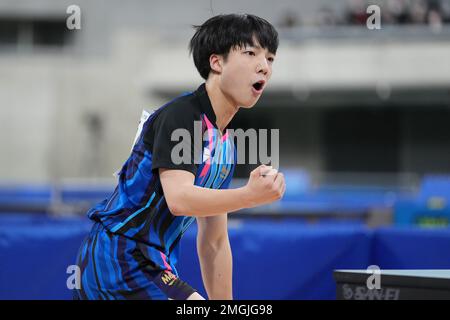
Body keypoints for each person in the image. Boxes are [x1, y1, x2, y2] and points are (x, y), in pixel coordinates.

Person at [74, 13, 285, 300]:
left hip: (154, 263)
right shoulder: (182, 117)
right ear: (217, 62)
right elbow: (180, 199)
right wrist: (250, 195)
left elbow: (214, 242)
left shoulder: (225, 146)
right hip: (119, 257)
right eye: (251, 53)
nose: (264, 67)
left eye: (270, 58)